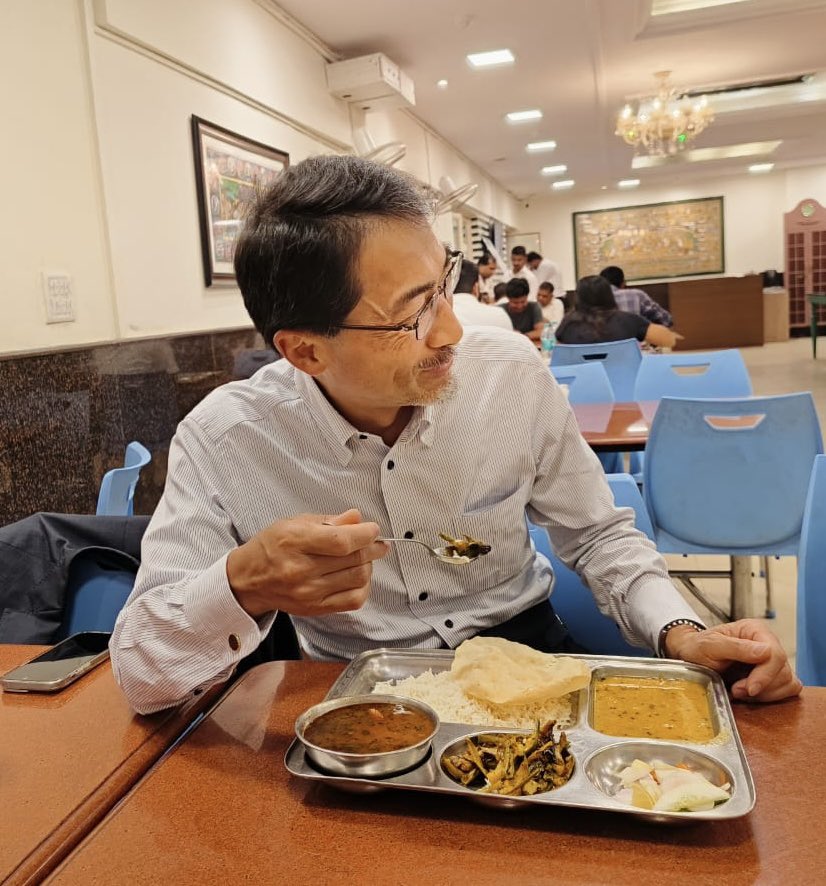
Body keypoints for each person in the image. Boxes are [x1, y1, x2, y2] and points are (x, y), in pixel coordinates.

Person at [110, 155, 799, 714]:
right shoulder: (226, 439)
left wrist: (682, 632)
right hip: (362, 695)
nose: (452, 331)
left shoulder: (510, 376)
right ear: (306, 351)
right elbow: (140, 673)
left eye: (442, 285)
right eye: (413, 314)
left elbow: (597, 536)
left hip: (529, 658)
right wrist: (243, 584)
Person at [556, 275, 682, 349]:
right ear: (609, 295)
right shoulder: (629, 321)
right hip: (626, 382)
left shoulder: (567, 323)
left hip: (582, 384)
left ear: (578, 298)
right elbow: (669, 341)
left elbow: (558, 352)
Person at [599, 266, 673, 328]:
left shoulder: (594, 297)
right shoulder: (636, 295)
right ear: (623, 283)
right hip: (635, 340)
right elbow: (666, 320)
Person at [451, 259, 513, 330]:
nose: (493, 272)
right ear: (476, 288)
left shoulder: (442, 318)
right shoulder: (500, 316)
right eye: (491, 268)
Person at [500, 278, 545, 343]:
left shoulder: (534, 307)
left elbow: (540, 332)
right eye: (515, 303)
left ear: (527, 297)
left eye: (523, 302)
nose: (519, 306)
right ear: (508, 299)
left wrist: (520, 336)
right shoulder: (500, 310)